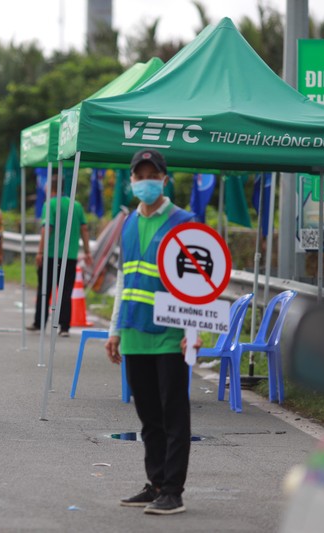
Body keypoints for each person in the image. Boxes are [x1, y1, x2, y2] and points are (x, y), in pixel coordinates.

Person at [104, 149, 202, 515]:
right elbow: (125, 280)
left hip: (169, 333)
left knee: (173, 413)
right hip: (134, 332)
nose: (145, 180)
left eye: (152, 174)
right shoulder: (127, 223)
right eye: (138, 174)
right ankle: (156, 482)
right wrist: (114, 330)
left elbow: (198, 283)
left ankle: (173, 491)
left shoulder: (183, 221)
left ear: (164, 178)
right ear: (131, 180)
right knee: (147, 415)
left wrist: (191, 330)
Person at [27, 175, 93, 337]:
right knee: (65, 291)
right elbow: (84, 229)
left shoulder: (49, 204)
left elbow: (46, 229)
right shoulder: (76, 206)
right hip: (70, 255)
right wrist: (86, 251)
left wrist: (40, 251)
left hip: (50, 254)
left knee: (45, 289)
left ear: (51, 187)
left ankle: (39, 323)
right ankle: (64, 327)